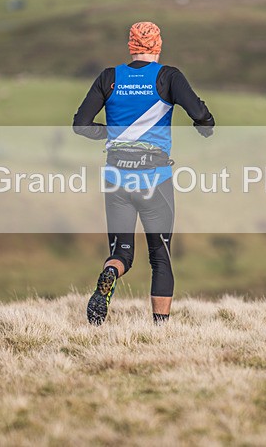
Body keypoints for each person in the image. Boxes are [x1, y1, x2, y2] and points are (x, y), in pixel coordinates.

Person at [73, 22, 215, 325]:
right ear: (158, 46)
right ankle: (159, 328)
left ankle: (110, 272)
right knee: (160, 256)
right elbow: (200, 113)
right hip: (155, 179)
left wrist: (111, 134)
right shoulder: (168, 77)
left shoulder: (109, 78)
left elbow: (81, 124)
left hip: (117, 178)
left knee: (122, 253)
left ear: (130, 46)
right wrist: (205, 126)